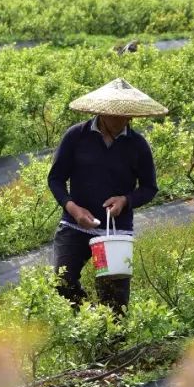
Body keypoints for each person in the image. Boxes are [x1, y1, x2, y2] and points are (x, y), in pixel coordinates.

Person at [46, 77, 167, 315]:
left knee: (114, 301)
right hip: (75, 226)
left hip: (115, 232)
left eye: (127, 116)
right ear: (102, 112)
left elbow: (149, 188)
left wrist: (125, 201)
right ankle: (88, 319)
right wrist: (73, 209)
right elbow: (56, 179)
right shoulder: (76, 137)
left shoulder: (137, 145)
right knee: (62, 281)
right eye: (116, 116)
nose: (122, 121)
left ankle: (110, 342)